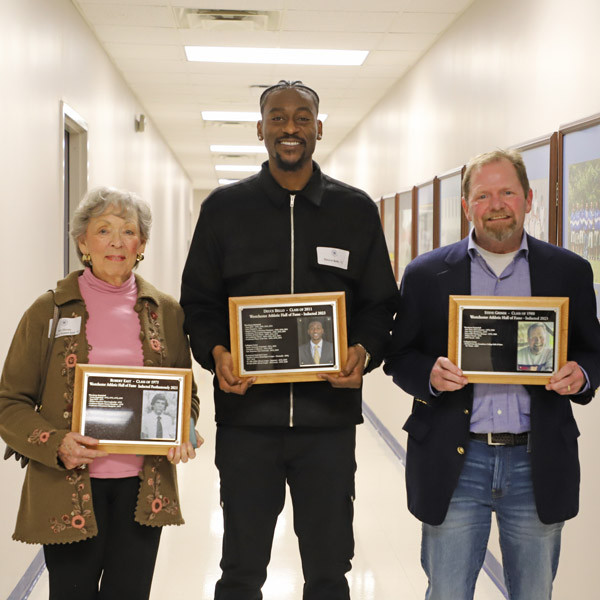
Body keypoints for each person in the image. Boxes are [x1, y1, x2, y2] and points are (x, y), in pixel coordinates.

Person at [181, 80, 397, 599]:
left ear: (318, 128)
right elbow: (200, 304)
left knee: (328, 570)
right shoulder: (225, 211)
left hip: (328, 423)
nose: (290, 128)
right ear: (261, 129)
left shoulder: (355, 211)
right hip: (247, 422)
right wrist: (216, 355)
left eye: (302, 117)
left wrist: (362, 352)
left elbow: (380, 303)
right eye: (277, 118)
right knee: (241, 568)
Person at [384, 149, 600, 600]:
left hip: (534, 461)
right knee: (447, 592)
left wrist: (580, 374)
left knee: (534, 592)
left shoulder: (569, 272)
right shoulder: (426, 274)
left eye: (507, 192)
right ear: (466, 206)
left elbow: (592, 352)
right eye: (483, 195)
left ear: (528, 199)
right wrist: (429, 374)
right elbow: (398, 356)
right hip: (456, 460)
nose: (496, 204)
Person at [0, 187, 202, 600]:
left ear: (141, 245)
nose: (116, 242)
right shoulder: (50, 310)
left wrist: (186, 427)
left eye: (128, 231)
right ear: (82, 242)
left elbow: (186, 393)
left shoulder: (165, 311)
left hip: (143, 490)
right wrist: (58, 443)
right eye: (103, 230)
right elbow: (9, 402)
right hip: (67, 486)